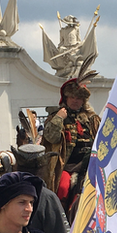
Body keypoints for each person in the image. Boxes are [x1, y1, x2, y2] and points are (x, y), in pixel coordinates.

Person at [43, 77, 101, 208]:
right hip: (67, 166)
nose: (75, 100)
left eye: (79, 98)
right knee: (63, 188)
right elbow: (51, 138)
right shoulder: (56, 117)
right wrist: (59, 119)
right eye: (72, 97)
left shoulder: (92, 119)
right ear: (66, 98)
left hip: (90, 164)